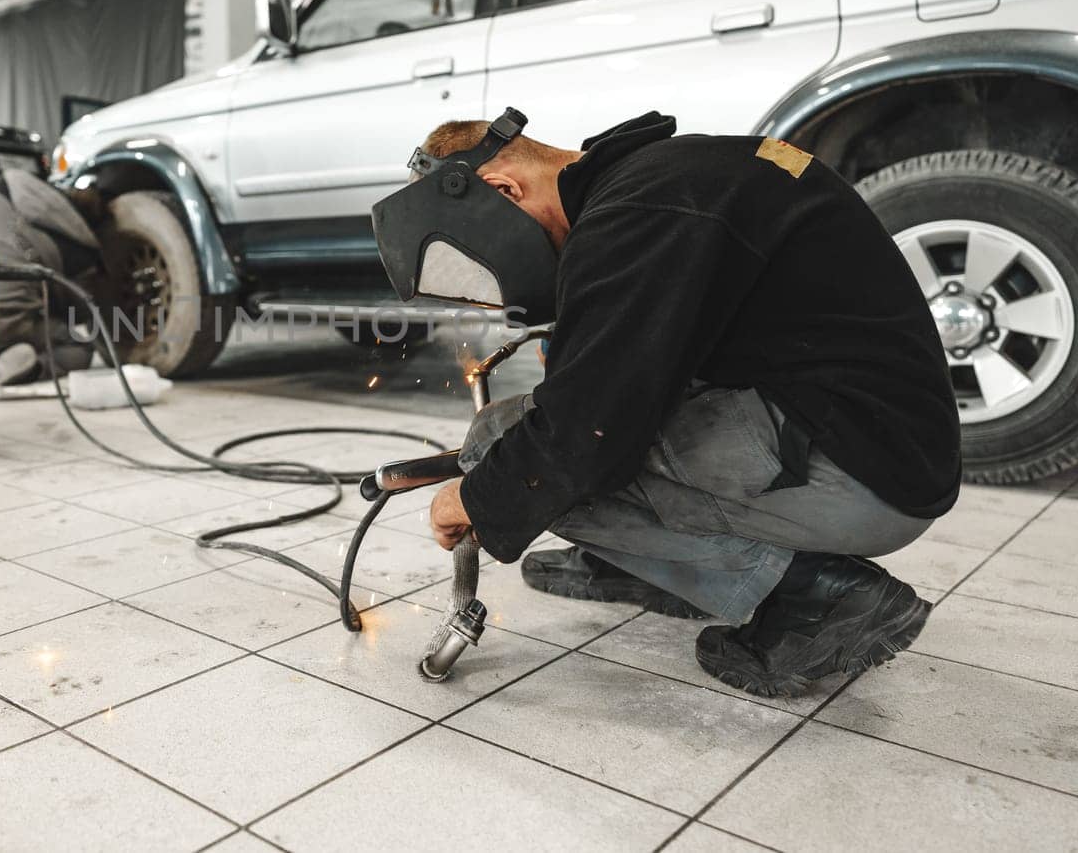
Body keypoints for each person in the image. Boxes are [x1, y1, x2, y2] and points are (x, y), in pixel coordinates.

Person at [387, 110, 960, 698]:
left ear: (504, 189)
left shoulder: (639, 214)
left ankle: (815, 598)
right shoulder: (658, 178)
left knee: (503, 449)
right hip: (881, 443)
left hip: (858, 472)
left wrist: (473, 496)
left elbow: (583, 436)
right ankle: (649, 564)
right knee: (551, 434)